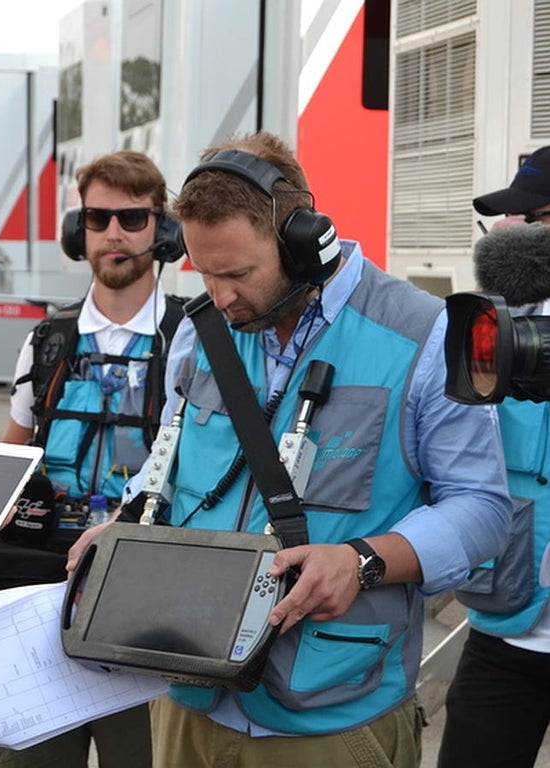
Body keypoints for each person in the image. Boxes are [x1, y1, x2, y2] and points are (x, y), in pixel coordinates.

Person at [67, 131, 512, 768]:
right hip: (186, 700)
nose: (219, 297)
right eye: (204, 272)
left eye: (238, 274)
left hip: (331, 718)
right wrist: (121, 524)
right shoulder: (200, 337)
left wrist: (363, 560)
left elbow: (483, 510)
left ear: (305, 238)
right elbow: (166, 471)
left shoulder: (423, 336)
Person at [0, 150, 187, 768]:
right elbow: (11, 452)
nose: (114, 233)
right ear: (79, 231)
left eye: (132, 218)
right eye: (98, 218)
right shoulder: (48, 340)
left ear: (163, 231)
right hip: (41, 593)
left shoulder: (193, 341)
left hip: (146, 603)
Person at [437, 147, 550, 768]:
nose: (512, 236)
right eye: (509, 222)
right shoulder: (496, 326)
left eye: (532, 219)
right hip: (507, 625)